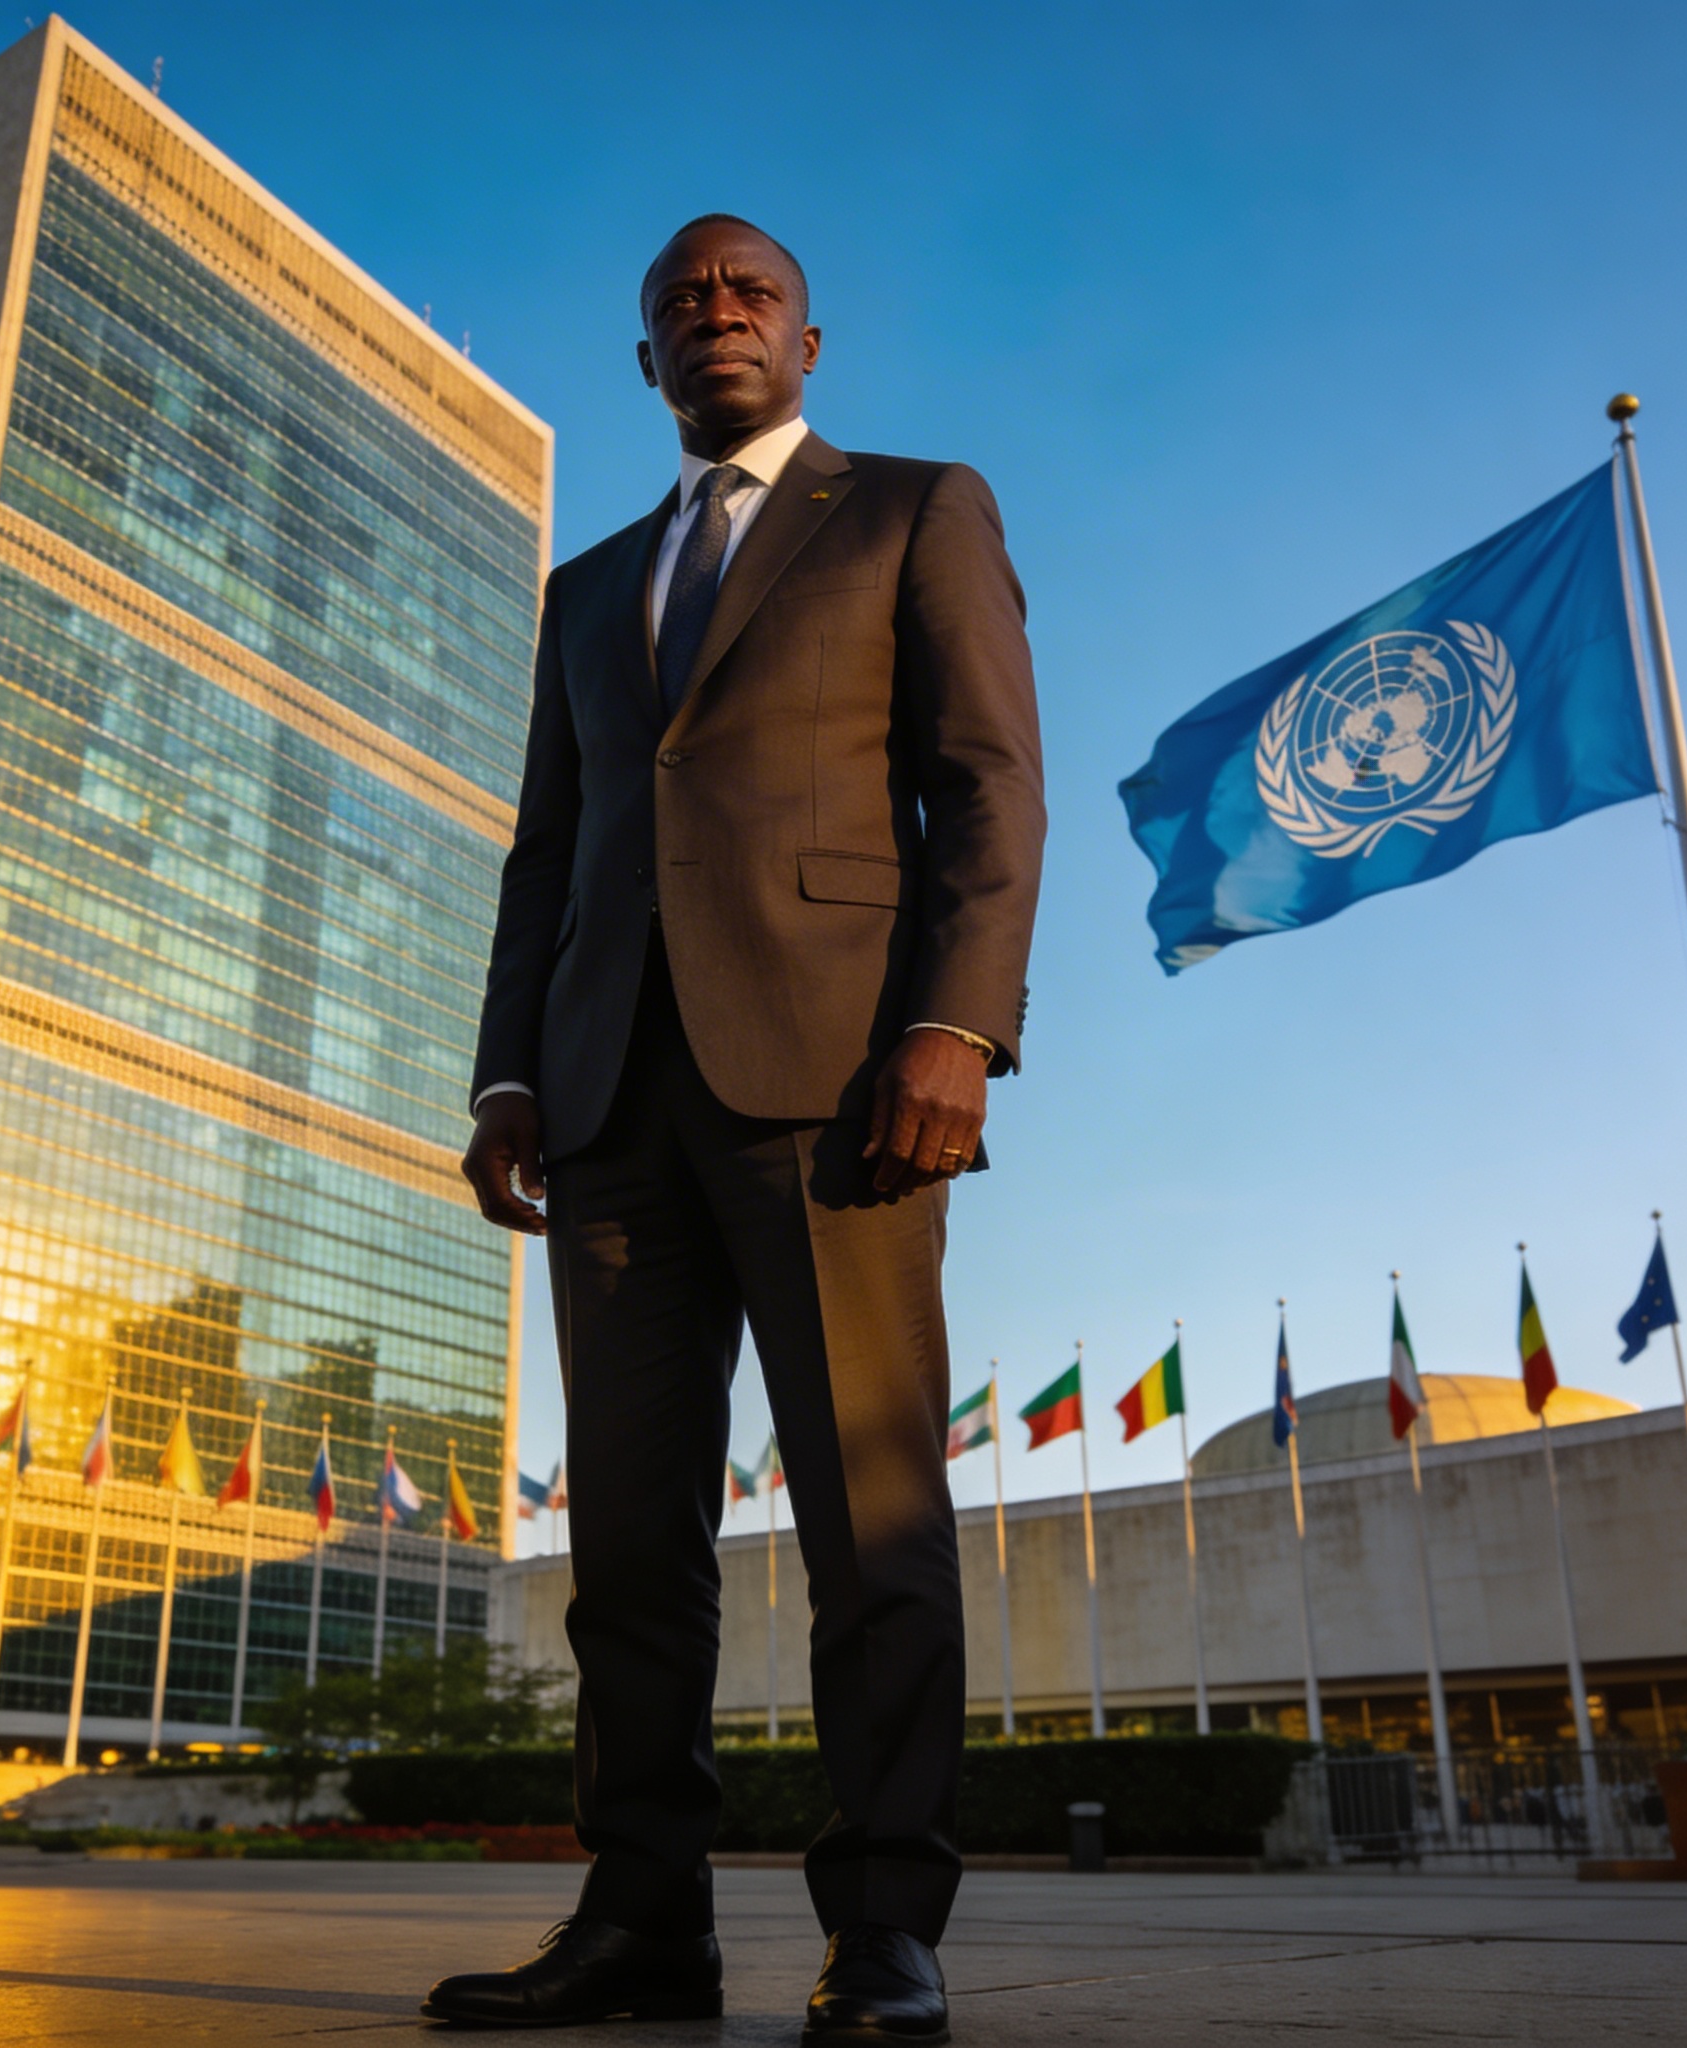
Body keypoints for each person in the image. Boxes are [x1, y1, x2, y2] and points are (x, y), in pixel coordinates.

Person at [425, 213, 1044, 2040]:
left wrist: (955, 1027)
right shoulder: (586, 588)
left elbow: (986, 784)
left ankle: (888, 1926)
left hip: (841, 1083)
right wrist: (507, 1074)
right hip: (607, 1099)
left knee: (870, 1519)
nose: (717, 313)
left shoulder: (914, 509)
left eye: (749, 292)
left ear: (806, 338)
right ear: (646, 358)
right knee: (628, 1544)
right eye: (682, 301)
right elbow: (548, 852)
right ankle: (641, 1923)